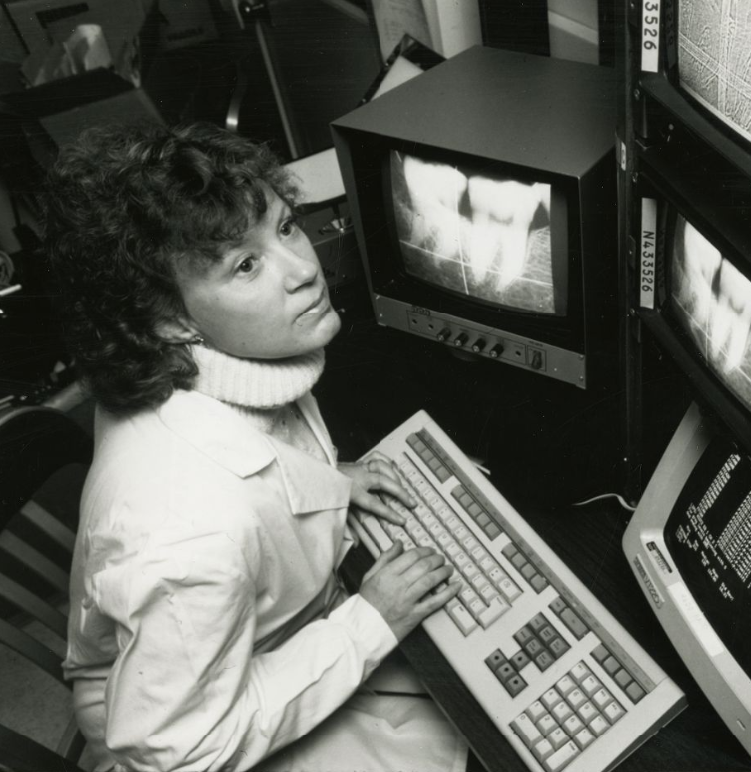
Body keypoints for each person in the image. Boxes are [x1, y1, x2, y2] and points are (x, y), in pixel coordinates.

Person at [46, 122, 468, 772]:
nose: (305, 270)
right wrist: (367, 622)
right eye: (246, 265)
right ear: (169, 321)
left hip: (242, 643)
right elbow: (177, 753)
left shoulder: (214, 356)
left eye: (287, 226)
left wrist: (329, 478)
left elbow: (258, 453)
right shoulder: (189, 532)